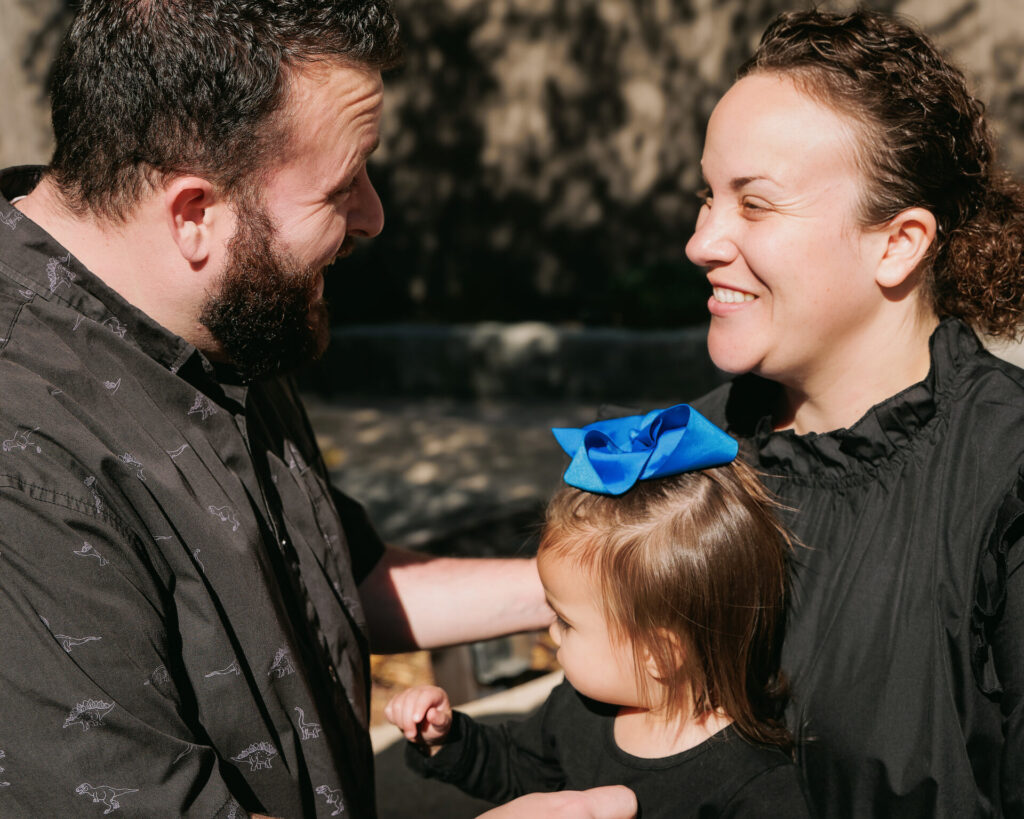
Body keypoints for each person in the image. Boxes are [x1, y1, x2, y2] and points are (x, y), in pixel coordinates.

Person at [0, 2, 637, 817]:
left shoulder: (214, 303)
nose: (373, 216)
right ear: (195, 213)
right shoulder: (25, 457)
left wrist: (612, 586)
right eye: (343, 186)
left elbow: (336, 579)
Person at [684, 8, 1024, 818]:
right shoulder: (686, 451)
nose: (702, 241)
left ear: (898, 243)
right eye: (707, 196)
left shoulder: (1005, 479)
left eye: (754, 205)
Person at [385, 405, 813, 818]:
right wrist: (447, 739)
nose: (551, 634)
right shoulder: (580, 710)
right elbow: (519, 767)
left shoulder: (752, 790)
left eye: (566, 622)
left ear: (656, 653)